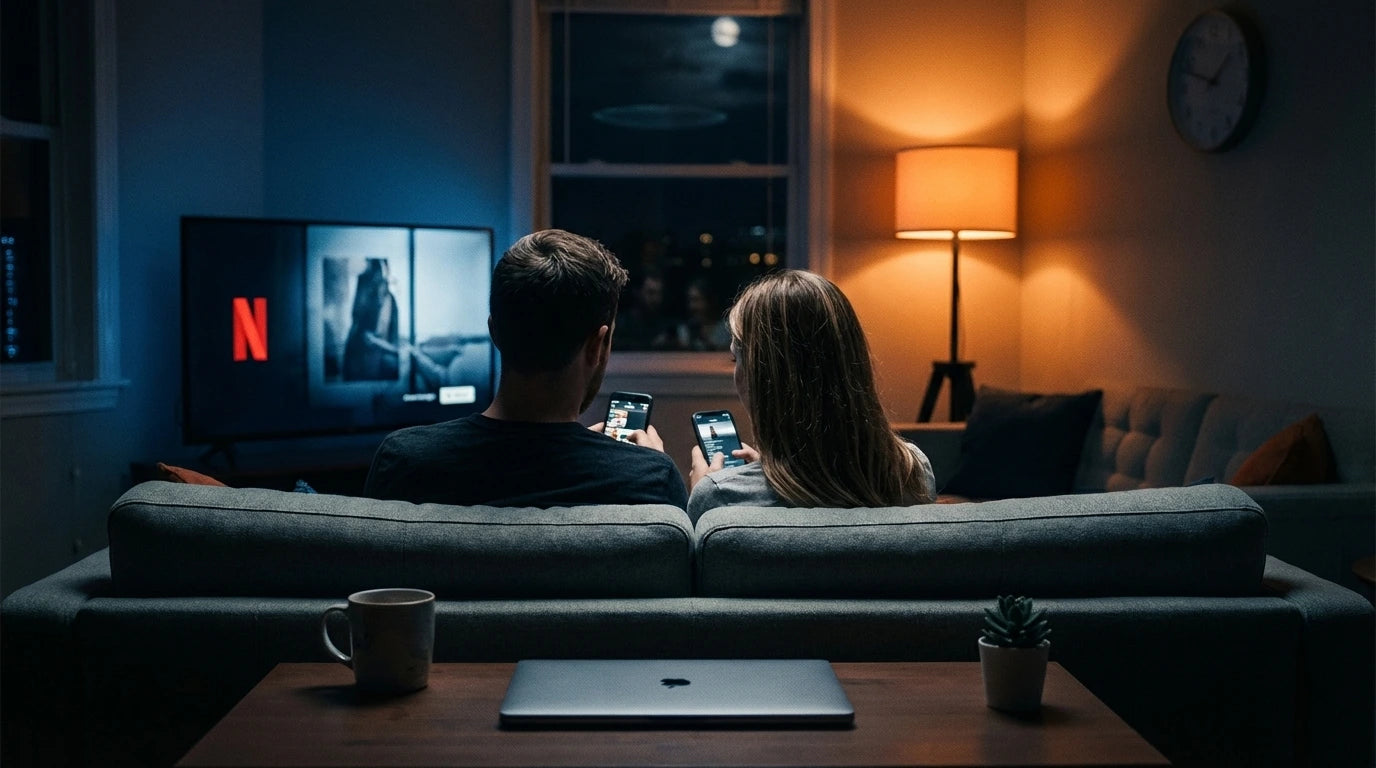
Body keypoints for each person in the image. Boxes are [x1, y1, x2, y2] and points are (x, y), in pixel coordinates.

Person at [365, 229, 688, 509]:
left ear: (494, 330)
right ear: (597, 346)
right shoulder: (647, 479)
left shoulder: (403, 461)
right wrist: (648, 464)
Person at [686, 269, 935, 523]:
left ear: (759, 378)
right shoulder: (913, 471)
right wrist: (770, 470)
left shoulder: (719, 498)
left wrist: (704, 494)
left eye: (735, 358)